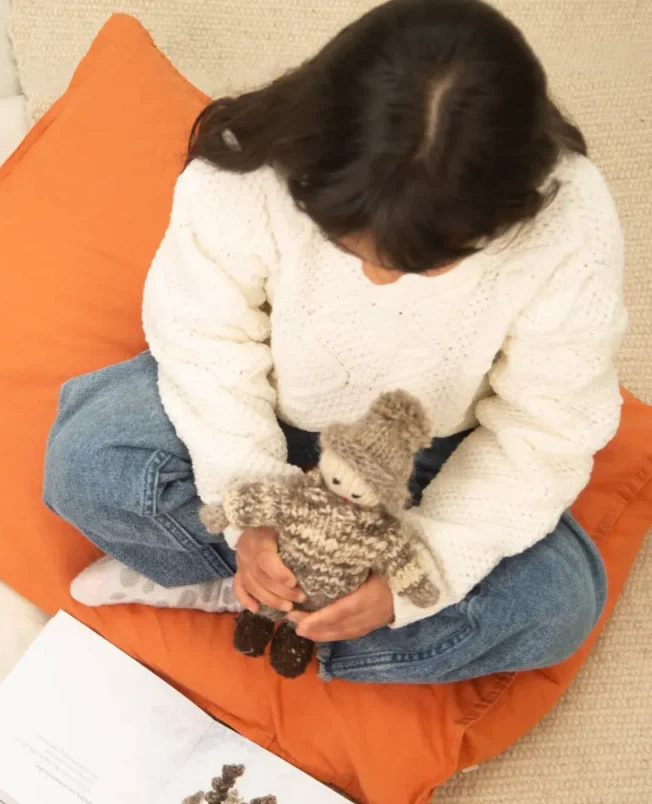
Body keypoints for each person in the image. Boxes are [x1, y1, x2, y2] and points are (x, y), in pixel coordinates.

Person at [44, 0, 625, 684]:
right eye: (351, 248)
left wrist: (414, 577)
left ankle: (300, 616)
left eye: (423, 265)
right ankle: (254, 586)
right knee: (88, 462)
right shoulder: (250, 173)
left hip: (424, 462)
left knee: (558, 607)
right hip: (265, 405)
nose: (379, 281)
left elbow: (545, 430)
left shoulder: (568, 225)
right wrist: (248, 511)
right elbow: (204, 343)